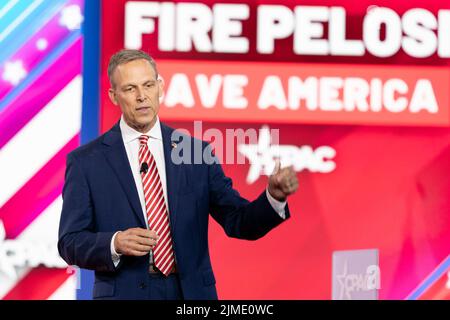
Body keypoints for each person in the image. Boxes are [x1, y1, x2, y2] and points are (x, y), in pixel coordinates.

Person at [58, 49, 299, 300]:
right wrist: (114, 243)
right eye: (130, 89)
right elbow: (70, 242)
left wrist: (273, 196)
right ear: (113, 96)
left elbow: (239, 221)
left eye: (148, 85)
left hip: (190, 294)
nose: (142, 97)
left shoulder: (196, 153)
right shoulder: (87, 162)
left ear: (160, 87)